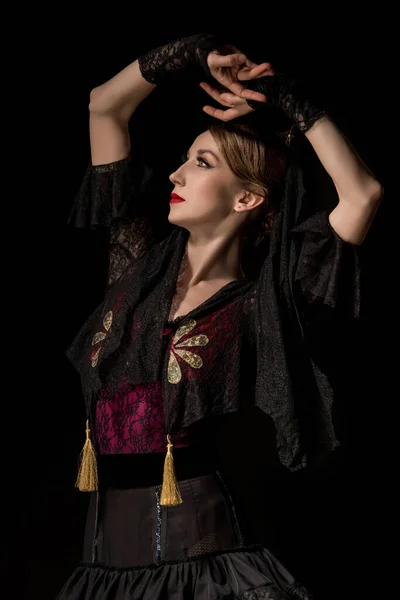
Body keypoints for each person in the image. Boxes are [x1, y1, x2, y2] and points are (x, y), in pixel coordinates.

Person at [56, 33, 383, 599]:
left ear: (246, 199)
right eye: (185, 157)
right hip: (102, 567)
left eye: (200, 162)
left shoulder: (263, 301)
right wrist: (194, 55)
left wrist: (283, 95)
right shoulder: (134, 267)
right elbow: (104, 105)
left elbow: (362, 195)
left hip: (200, 564)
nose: (175, 174)